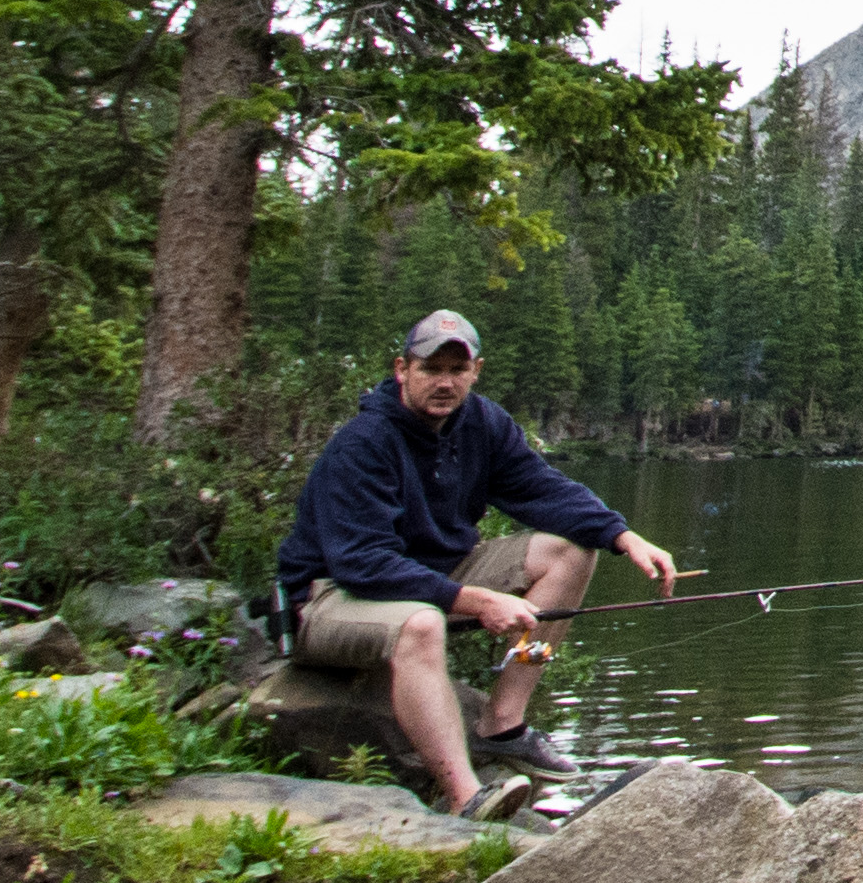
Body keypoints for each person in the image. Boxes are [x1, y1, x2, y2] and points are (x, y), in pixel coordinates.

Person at [277, 308, 678, 814]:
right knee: (421, 625)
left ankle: (502, 725)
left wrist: (623, 536)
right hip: (329, 596)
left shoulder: (482, 423)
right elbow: (363, 563)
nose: (444, 383)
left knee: (570, 553)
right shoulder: (363, 443)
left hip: (427, 578)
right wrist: (476, 601)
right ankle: (465, 797)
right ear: (402, 369)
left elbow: (541, 489)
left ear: (476, 371)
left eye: (457, 370)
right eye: (430, 369)